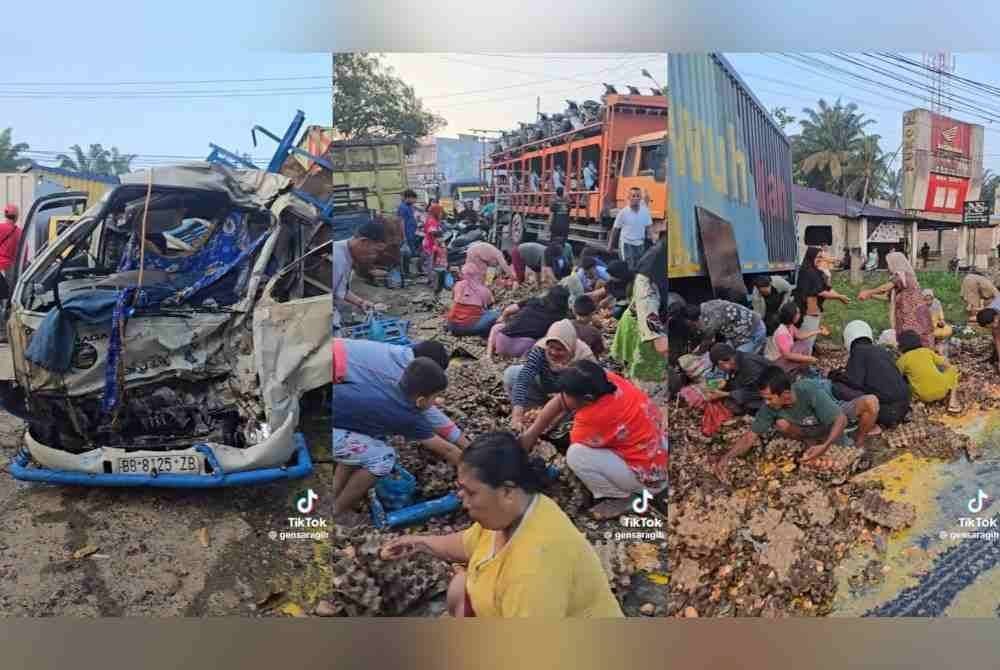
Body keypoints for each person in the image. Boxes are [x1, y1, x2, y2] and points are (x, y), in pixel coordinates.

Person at [379, 432, 623, 617]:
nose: (461, 500)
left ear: (506, 490)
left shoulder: (532, 574)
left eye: (470, 492)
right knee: (459, 586)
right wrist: (421, 543)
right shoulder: (518, 509)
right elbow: (468, 543)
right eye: (460, 489)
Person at [332, 351, 469, 526]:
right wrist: (469, 470)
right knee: (383, 458)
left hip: (334, 417)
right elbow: (447, 449)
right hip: (334, 432)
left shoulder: (389, 386)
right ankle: (338, 509)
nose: (435, 403)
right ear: (420, 401)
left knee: (358, 450)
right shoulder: (407, 416)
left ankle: (335, 495)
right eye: (434, 398)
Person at [519, 361, 668, 519]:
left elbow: (572, 440)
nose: (561, 397)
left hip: (649, 480)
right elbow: (562, 400)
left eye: (567, 394)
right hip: (658, 453)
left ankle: (620, 496)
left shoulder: (594, 417)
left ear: (588, 399)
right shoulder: (606, 379)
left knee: (576, 455)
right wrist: (532, 433)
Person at [714, 366, 880, 482]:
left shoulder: (807, 390)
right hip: (808, 430)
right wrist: (727, 458)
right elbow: (750, 436)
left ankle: (857, 442)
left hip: (831, 417)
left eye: (769, 398)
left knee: (871, 402)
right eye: (764, 398)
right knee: (781, 424)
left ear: (785, 394)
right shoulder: (770, 407)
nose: (766, 402)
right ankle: (812, 443)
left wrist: (826, 445)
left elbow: (840, 419)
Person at [505, 319, 595, 431]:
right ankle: (534, 412)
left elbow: (587, 393)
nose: (553, 352)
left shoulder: (584, 357)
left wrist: (555, 415)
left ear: (570, 347)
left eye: (560, 349)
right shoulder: (540, 349)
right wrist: (517, 413)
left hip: (571, 398)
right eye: (551, 347)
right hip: (546, 386)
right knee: (511, 374)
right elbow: (524, 378)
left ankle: (548, 418)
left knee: (572, 420)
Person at [831, 320, 911, 429]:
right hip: (904, 407)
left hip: (886, 412)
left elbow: (854, 382)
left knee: (837, 388)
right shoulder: (882, 350)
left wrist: (836, 376)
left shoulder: (858, 351)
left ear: (848, 338)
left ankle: (867, 422)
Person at [610, 238, 668, 382]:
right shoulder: (646, 286)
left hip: (639, 326)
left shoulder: (651, 274)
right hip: (641, 333)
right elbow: (660, 345)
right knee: (644, 380)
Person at [859, 251, 934, 349]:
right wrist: (871, 296)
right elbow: (887, 297)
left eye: (888, 264)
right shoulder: (898, 279)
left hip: (915, 315)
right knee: (909, 340)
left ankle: (924, 359)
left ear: (895, 263)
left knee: (917, 339)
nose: (887, 267)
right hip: (906, 316)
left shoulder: (903, 276)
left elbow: (885, 288)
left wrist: (869, 292)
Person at [792, 246, 850, 355]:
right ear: (811, 256)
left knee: (809, 342)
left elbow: (827, 288)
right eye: (818, 257)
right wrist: (839, 297)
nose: (820, 259)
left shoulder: (816, 271)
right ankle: (800, 365)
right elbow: (819, 292)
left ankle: (804, 363)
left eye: (821, 257)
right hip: (807, 314)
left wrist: (840, 295)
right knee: (805, 343)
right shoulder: (807, 271)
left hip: (814, 313)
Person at [332, 223, 387, 337]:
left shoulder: (346, 255)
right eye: (374, 251)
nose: (374, 257)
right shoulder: (337, 258)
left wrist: (361, 302)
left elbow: (340, 290)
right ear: (364, 242)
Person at [487, 285, 571, 359]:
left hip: (501, 342)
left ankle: (489, 355)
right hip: (524, 348)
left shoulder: (534, 301)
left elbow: (508, 310)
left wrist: (503, 317)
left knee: (496, 327)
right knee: (543, 338)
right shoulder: (560, 317)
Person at [896, 329, 961, 413]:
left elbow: (896, 376)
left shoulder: (902, 359)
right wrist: (940, 354)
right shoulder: (927, 351)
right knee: (953, 369)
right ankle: (952, 401)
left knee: (905, 381)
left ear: (901, 345)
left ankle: (916, 403)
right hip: (942, 391)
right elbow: (946, 364)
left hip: (923, 397)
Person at [764, 302, 827, 376]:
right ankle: (797, 372)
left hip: (785, 354)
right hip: (777, 361)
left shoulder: (789, 325)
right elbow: (788, 356)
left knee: (804, 344)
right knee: (803, 356)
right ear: (791, 316)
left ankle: (803, 368)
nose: (799, 315)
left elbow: (799, 335)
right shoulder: (782, 333)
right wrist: (808, 358)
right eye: (797, 313)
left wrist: (818, 331)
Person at [685, 298, 767, 355]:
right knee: (726, 353)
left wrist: (697, 354)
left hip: (754, 332)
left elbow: (707, 342)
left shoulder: (711, 322)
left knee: (738, 358)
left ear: (693, 321)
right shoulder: (705, 306)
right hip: (741, 332)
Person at [708, 343, 771, 415]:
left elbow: (757, 392)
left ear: (722, 363)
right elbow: (741, 381)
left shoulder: (749, 365)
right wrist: (725, 383)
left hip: (773, 393)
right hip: (758, 389)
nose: (719, 369)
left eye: (718, 366)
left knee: (738, 404)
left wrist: (725, 394)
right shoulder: (737, 360)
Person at [447, 263, 499, 337]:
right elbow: (490, 305)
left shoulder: (458, 285)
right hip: (467, 328)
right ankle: (485, 335)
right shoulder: (484, 290)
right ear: (477, 273)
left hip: (451, 325)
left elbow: (453, 299)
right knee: (497, 314)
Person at [608, 187, 652, 271]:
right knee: (628, 268)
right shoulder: (623, 213)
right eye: (633, 196)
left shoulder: (645, 211)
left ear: (640, 198)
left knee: (639, 267)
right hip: (626, 244)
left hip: (640, 244)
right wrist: (610, 245)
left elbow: (648, 227)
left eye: (638, 196)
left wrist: (653, 241)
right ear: (629, 197)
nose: (635, 198)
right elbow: (615, 230)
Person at [0, 203, 22, 299]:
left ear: (5, 215)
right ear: (17, 217)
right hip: (10, 268)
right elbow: (23, 253)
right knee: (8, 294)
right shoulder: (20, 232)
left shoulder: (0, 228)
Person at [397, 189, 419, 278]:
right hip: (406, 234)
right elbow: (401, 222)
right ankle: (406, 273)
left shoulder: (409, 206)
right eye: (414, 199)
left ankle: (409, 272)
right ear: (408, 198)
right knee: (407, 254)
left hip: (411, 233)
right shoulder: (402, 207)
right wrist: (403, 236)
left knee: (411, 253)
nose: (415, 201)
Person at [422, 201, 444, 278]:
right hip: (430, 244)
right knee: (430, 262)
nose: (441, 214)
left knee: (430, 262)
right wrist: (440, 234)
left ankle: (430, 278)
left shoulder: (432, 219)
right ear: (436, 212)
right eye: (440, 212)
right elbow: (432, 232)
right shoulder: (432, 220)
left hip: (429, 243)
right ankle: (431, 280)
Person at [976, 300, 1000, 371]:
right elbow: (998, 340)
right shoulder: (988, 315)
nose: (992, 328)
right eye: (990, 327)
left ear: (996, 318)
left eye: (992, 326)